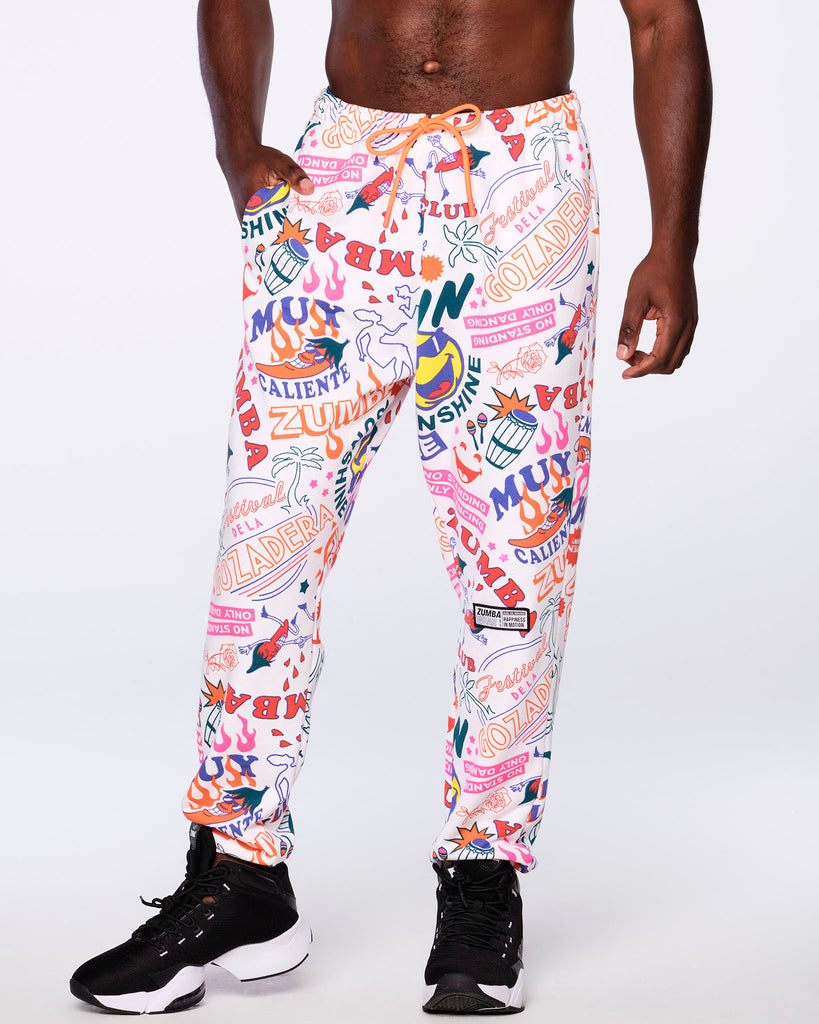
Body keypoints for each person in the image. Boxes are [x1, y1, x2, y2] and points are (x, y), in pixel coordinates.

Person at [70, 0, 711, 1015]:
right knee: (265, 542)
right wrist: (237, 146)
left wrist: (673, 239)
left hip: (520, 183)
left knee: (516, 560)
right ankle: (239, 873)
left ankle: (482, 880)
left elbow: (662, 22)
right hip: (339, 181)